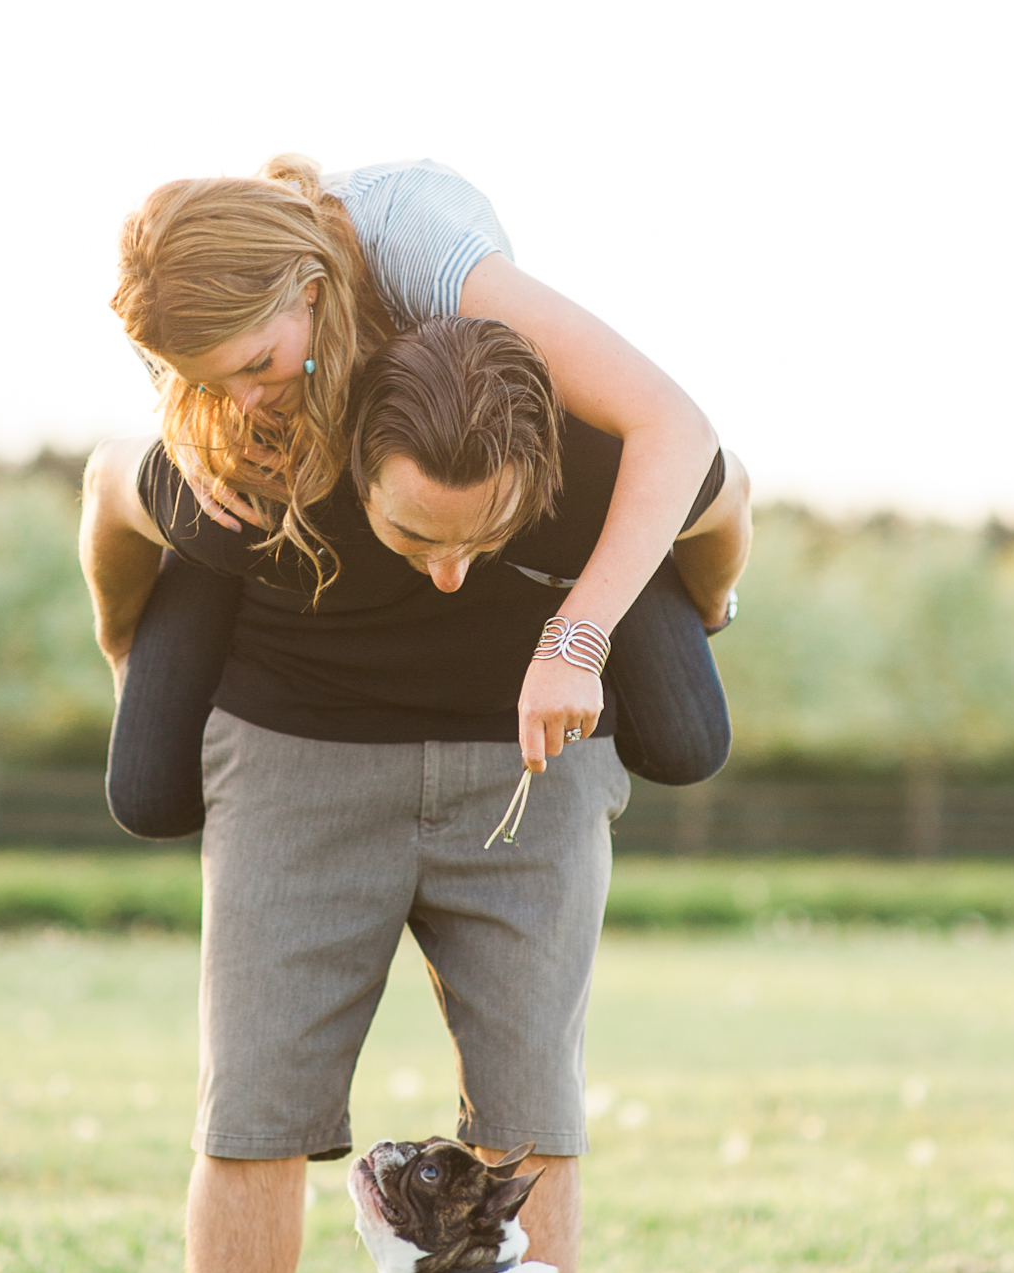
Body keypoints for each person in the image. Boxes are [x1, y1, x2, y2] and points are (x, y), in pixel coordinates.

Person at [78, 313, 691, 1273]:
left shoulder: (595, 457)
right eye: (415, 531)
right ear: (352, 463)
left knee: (533, 1115)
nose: (453, 570)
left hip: (530, 764)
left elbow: (717, 501)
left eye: (487, 535)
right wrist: (124, 658)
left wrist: (675, 620)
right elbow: (110, 489)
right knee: (251, 1115)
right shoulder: (260, 454)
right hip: (294, 755)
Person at [104, 155, 751, 838]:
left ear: (312, 291)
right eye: (209, 382)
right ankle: (126, 461)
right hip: (340, 466)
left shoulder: (416, 246)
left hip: (461, 432)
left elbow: (676, 424)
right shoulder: (179, 318)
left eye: (259, 365)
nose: (243, 400)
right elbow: (225, 389)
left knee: (686, 742)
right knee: (147, 793)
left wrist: (574, 645)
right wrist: (189, 440)